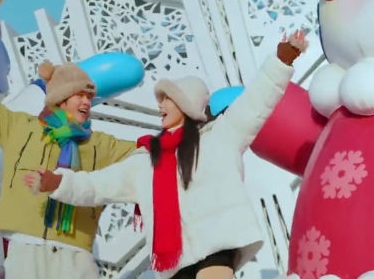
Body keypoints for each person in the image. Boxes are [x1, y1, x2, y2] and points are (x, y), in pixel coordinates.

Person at [25, 29, 309, 279]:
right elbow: (98, 185)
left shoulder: (221, 135)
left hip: (217, 246)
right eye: (160, 99)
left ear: (186, 104)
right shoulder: (145, 160)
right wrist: (58, 182)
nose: (160, 105)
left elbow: (255, 102)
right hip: (175, 264)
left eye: (167, 98)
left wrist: (281, 61)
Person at [0, 21, 137, 279]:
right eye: (80, 95)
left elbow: (149, 153)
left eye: (89, 96)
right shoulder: (18, 127)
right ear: (61, 98)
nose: (87, 101)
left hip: (76, 258)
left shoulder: (100, 144)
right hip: (25, 251)